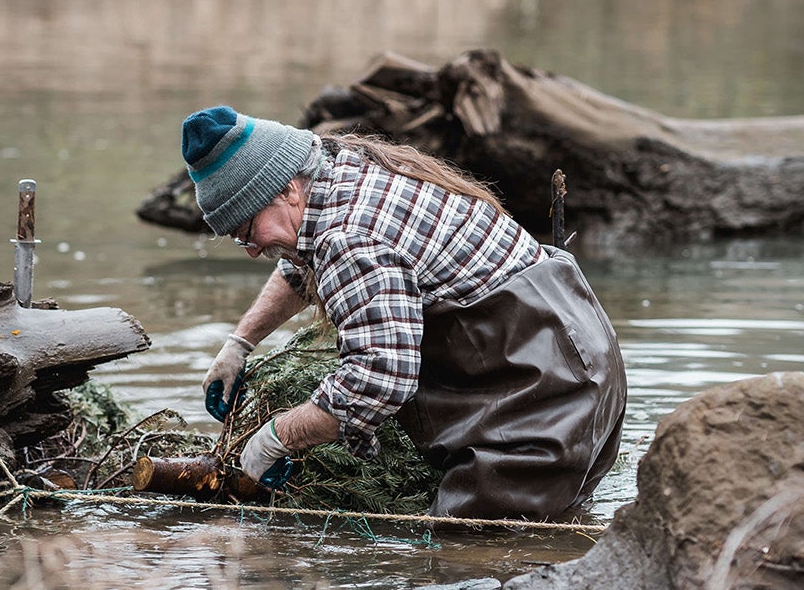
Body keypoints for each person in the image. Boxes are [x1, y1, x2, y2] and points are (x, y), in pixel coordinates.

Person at [183, 105, 626, 519]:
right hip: (583, 363)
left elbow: (377, 381)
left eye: (248, 230)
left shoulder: (350, 237)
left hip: (543, 407)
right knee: (551, 543)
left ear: (286, 188)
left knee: (466, 565)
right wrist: (240, 343)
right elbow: (300, 264)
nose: (252, 249)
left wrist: (279, 437)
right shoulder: (343, 168)